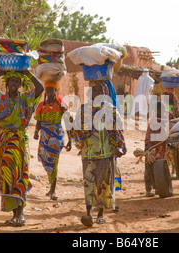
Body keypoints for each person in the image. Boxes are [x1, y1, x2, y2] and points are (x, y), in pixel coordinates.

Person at [0, 69, 44, 226]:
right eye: (11, 81)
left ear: (20, 85)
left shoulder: (25, 99)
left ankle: (20, 214)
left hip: (19, 141)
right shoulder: (0, 98)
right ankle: (15, 214)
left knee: (20, 174)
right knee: (8, 175)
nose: (14, 84)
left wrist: (27, 73)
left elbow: (40, 89)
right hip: (5, 142)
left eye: (17, 82)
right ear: (7, 84)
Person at [71, 81, 126, 227]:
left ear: (104, 93)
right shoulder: (83, 110)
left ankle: (100, 213)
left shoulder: (111, 110)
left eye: (98, 90)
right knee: (88, 182)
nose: (95, 93)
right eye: (93, 90)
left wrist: (119, 147)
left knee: (103, 183)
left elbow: (118, 130)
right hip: (88, 153)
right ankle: (88, 213)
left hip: (106, 153)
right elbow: (75, 130)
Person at [33, 82, 72, 200]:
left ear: (56, 91)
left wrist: (70, 139)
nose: (50, 92)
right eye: (47, 90)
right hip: (44, 137)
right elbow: (39, 121)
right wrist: (36, 131)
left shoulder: (61, 104)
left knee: (54, 162)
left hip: (56, 136)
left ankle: (53, 190)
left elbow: (67, 121)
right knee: (46, 161)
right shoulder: (41, 105)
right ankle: (51, 188)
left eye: (52, 90)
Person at [144, 101, 172, 197]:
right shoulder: (153, 120)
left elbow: (175, 124)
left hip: (163, 146)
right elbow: (149, 134)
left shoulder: (169, 116)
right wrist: (148, 147)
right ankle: (149, 189)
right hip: (153, 146)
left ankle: (159, 188)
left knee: (160, 168)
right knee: (149, 168)